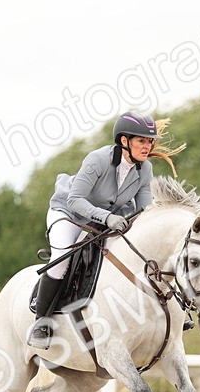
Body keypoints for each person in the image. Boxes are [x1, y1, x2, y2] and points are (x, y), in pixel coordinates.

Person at [27, 112, 183, 348]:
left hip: (105, 220)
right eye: (141, 140)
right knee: (62, 259)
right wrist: (107, 217)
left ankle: (167, 310)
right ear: (124, 141)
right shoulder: (98, 159)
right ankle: (42, 322)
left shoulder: (145, 169)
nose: (148, 146)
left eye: (150, 141)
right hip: (69, 214)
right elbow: (74, 199)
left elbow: (144, 210)